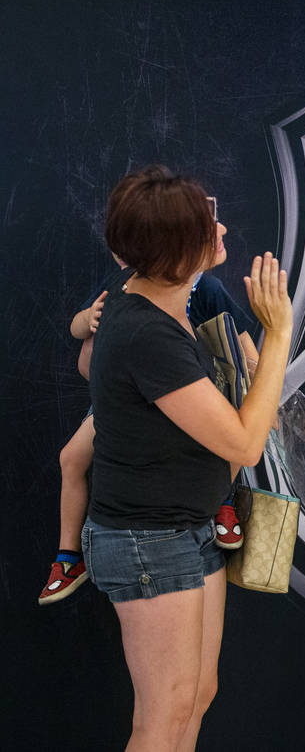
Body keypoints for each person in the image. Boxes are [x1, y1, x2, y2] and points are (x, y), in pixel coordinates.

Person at [81, 166, 292, 751]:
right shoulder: (146, 333)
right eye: (206, 224)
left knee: (195, 696)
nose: (220, 227)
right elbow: (246, 443)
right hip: (149, 540)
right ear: (177, 252)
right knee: (163, 716)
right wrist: (277, 334)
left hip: (188, 529)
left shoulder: (171, 305)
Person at [38, 248, 259, 604]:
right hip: (127, 404)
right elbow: (82, 339)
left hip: (194, 401)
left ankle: (222, 502)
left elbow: (242, 343)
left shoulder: (207, 289)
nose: (220, 232)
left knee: (218, 441)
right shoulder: (121, 291)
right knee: (71, 457)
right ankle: (68, 557)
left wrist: (260, 378)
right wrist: (89, 319)